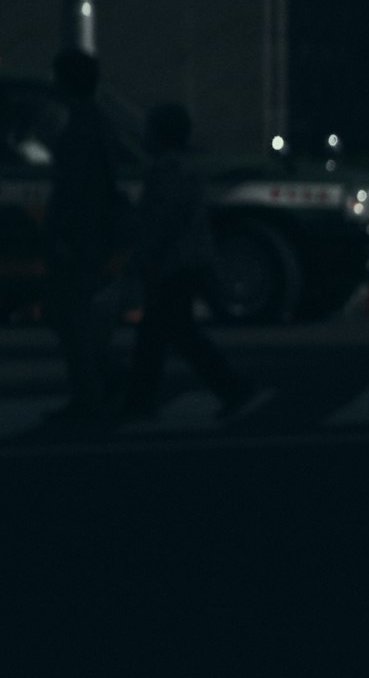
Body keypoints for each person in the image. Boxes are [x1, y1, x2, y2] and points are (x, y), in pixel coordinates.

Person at [119, 103, 259, 421]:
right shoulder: (182, 166)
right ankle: (228, 388)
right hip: (186, 261)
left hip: (174, 264)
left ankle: (141, 401)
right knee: (172, 333)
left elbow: (162, 220)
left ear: (161, 134)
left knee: (160, 334)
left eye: (150, 129)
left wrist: (143, 255)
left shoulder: (167, 169)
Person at [43, 48, 123, 422]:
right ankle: (103, 388)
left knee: (72, 319)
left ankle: (89, 397)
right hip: (95, 232)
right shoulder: (100, 122)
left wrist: (58, 233)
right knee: (83, 317)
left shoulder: (79, 128)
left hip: (79, 235)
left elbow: (70, 188)